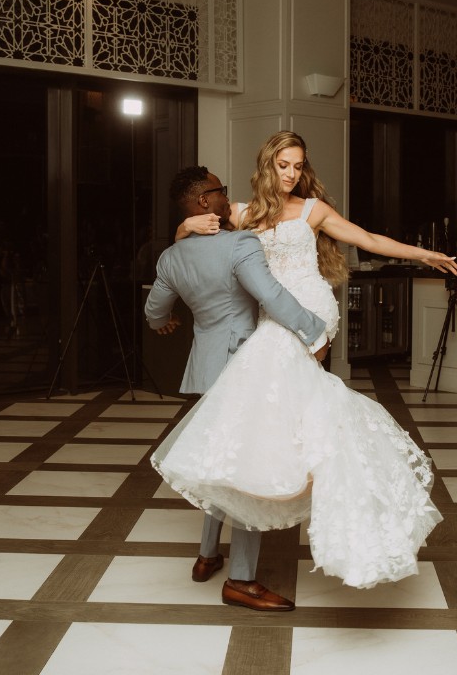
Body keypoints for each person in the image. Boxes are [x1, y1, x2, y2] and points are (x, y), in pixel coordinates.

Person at [152, 130, 454, 590]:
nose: (292, 174)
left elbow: (367, 238)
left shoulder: (313, 210)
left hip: (308, 314)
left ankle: (252, 538)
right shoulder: (239, 214)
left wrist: (422, 254)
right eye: (283, 165)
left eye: (298, 165)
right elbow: (190, 238)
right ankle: (258, 517)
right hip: (275, 319)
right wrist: (182, 227)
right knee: (265, 421)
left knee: (262, 421)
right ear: (267, 165)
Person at [145, 166, 330, 612]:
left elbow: (154, 311)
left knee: (219, 462)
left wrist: (166, 323)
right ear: (203, 202)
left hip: (206, 369)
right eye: (220, 191)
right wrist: (314, 331)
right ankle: (242, 581)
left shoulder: (172, 257)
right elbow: (271, 296)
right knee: (248, 471)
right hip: (246, 367)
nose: (228, 197)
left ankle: (208, 555)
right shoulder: (239, 245)